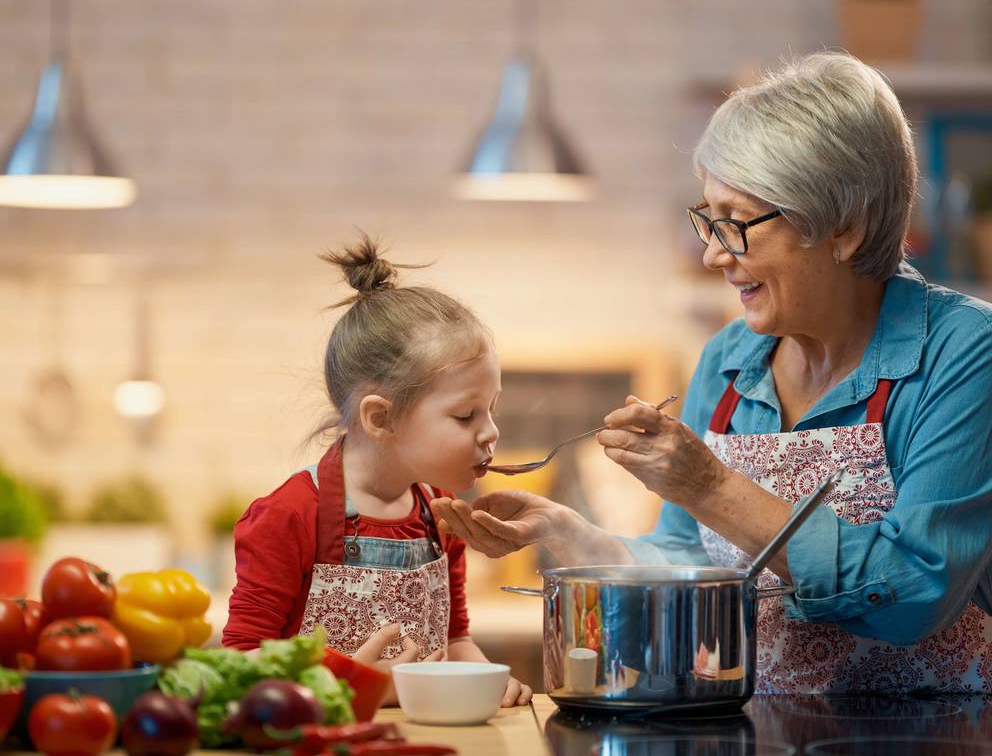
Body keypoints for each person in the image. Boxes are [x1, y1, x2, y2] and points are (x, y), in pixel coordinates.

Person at [432, 52, 992, 694]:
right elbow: (687, 563)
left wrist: (713, 488)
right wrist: (567, 532)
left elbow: (916, 592)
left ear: (845, 226)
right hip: (761, 728)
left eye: (736, 222)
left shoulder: (964, 352)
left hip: (936, 734)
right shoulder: (728, 361)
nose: (711, 252)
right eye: (707, 217)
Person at [223, 235, 532, 707]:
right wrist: (349, 684)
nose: (490, 432)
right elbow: (240, 667)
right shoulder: (288, 517)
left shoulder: (441, 516)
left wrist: (487, 678)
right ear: (381, 418)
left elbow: (454, 641)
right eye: (466, 415)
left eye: (491, 409)